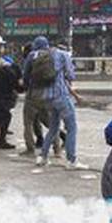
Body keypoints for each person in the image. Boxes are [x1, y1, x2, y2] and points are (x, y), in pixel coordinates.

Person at [31, 36, 87, 170]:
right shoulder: (63, 55)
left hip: (48, 98)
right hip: (61, 96)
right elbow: (71, 75)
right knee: (72, 127)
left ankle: (43, 157)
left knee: (53, 128)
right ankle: (71, 160)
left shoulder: (43, 56)